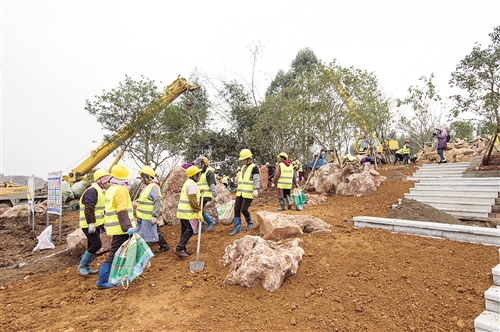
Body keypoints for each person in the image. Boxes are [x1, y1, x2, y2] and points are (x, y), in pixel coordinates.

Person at [96, 164, 136, 289]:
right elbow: (122, 210)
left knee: (120, 252)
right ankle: (102, 281)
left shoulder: (111, 189)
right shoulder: (120, 190)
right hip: (121, 228)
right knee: (114, 253)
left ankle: (118, 275)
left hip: (114, 227)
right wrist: (127, 227)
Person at [77, 168, 111, 276]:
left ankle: (86, 267)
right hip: (88, 224)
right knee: (97, 244)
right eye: (106, 181)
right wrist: (91, 223)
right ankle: (82, 266)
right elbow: (89, 208)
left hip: (95, 224)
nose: (108, 183)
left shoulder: (100, 191)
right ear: (100, 181)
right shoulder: (92, 190)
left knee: (91, 244)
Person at [135, 165, 170, 253]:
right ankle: (161, 246)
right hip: (144, 216)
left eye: (142, 177)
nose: (141, 179)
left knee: (153, 231)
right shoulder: (147, 187)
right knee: (149, 231)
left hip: (148, 216)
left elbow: (157, 201)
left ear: (146, 176)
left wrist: (155, 215)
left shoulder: (153, 187)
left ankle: (164, 245)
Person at [230, 149, 260, 236]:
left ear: (248, 158)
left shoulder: (254, 168)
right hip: (240, 192)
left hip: (248, 193)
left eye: (243, 159)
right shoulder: (243, 167)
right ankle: (237, 227)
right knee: (236, 209)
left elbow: (256, 179)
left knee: (243, 209)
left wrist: (256, 189)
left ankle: (249, 222)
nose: (242, 161)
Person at [174, 165, 203, 257]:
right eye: (199, 174)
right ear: (194, 175)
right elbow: (193, 200)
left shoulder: (189, 182)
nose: (200, 176)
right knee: (190, 230)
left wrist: (199, 189)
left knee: (184, 230)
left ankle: (183, 248)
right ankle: (179, 248)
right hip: (188, 213)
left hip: (182, 212)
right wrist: (198, 212)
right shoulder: (192, 185)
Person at [193, 156, 217, 233]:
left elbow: (212, 183)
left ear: (203, 164)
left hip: (205, 195)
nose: (197, 165)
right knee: (199, 210)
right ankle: (203, 225)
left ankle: (209, 222)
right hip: (199, 195)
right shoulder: (200, 172)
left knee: (199, 210)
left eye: (199, 163)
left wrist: (214, 193)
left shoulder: (209, 172)